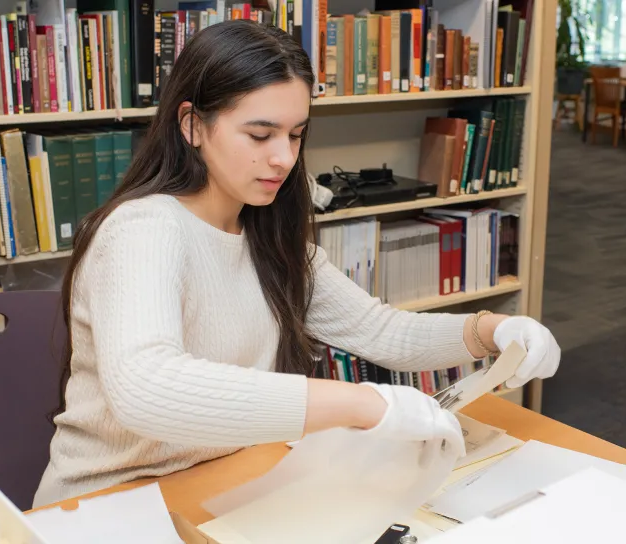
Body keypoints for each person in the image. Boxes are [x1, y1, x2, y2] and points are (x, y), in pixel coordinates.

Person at [32, 20, 560, 508]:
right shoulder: (142, 229)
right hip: (109, 504)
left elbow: (383, 331)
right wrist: (362, 404)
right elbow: (147, 389)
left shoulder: (266, 235)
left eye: (296, 133)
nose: (284, 157)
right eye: (260, 135)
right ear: (192, 126)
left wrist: (494, 329)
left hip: (226, 483)